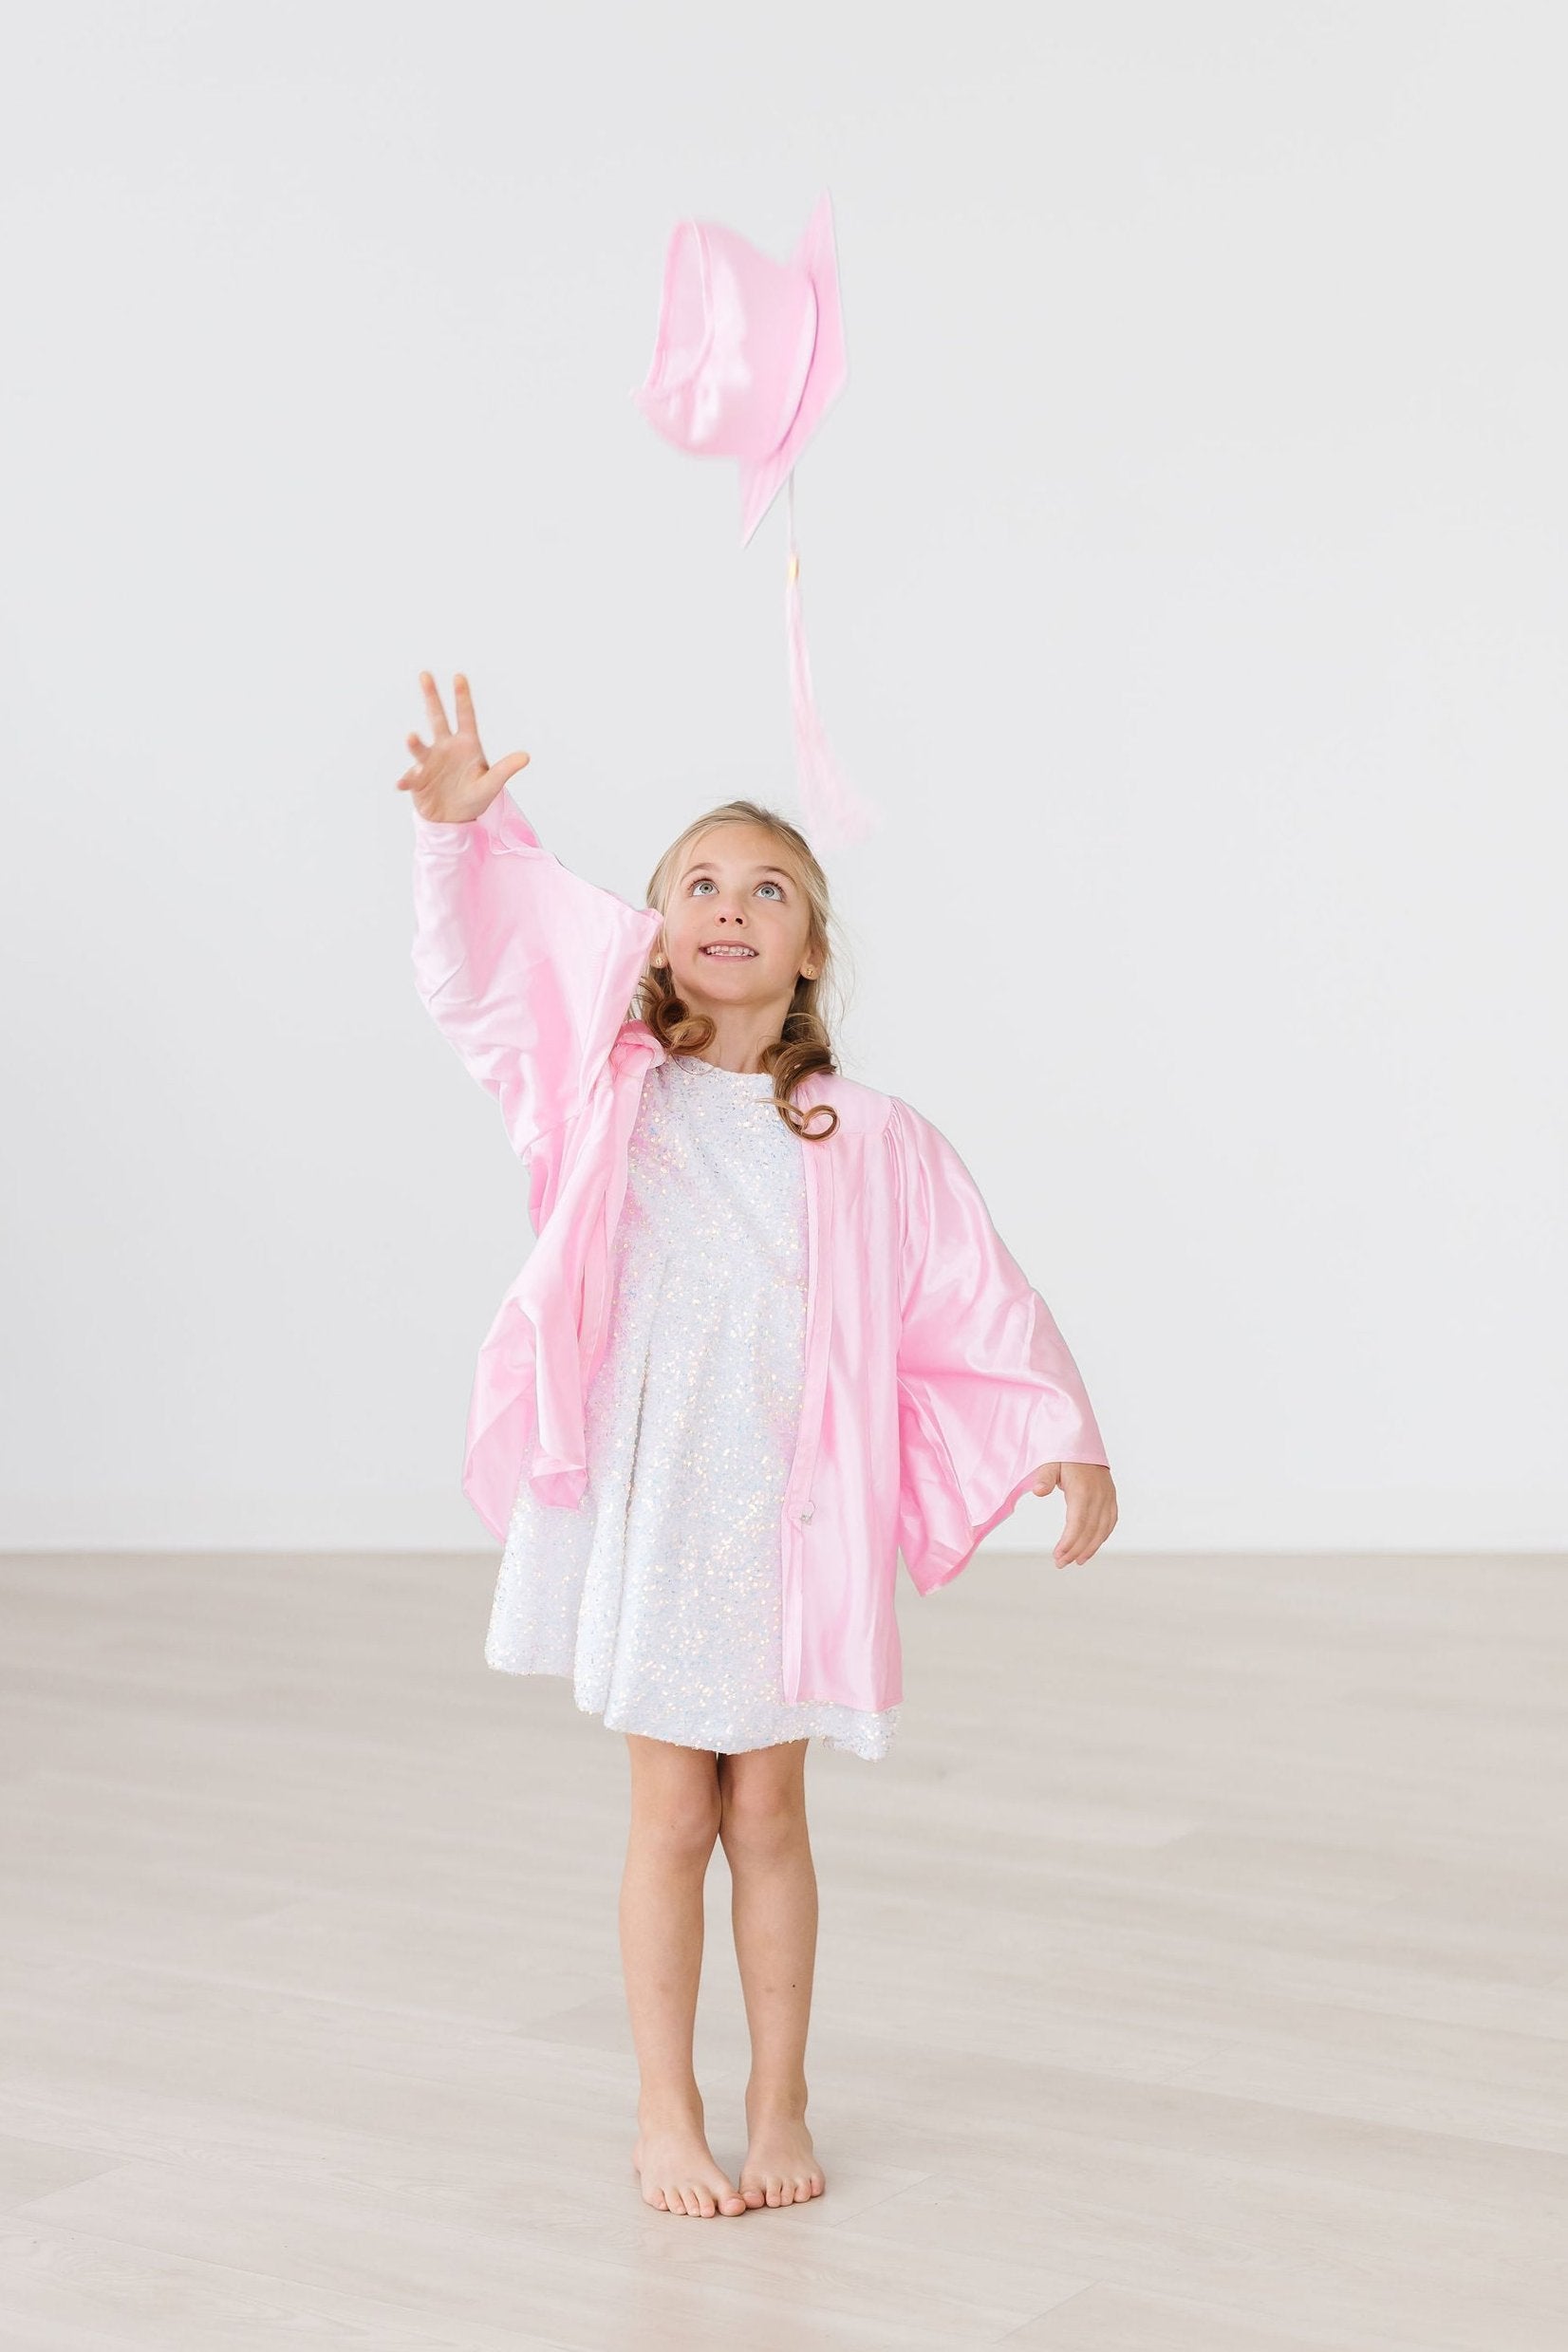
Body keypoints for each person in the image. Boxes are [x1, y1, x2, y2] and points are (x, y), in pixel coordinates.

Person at [401, 670, 1117, 2220]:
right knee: (673, 1812)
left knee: (770, 1812)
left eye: (770, 887)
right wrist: (459, 841)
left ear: (811, 951)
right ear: (656, 933)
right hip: (662, 1505)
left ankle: (779, 2092)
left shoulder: (865, 1137)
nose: (733, 904)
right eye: (702, 883)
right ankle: (664, 2110)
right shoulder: (602, 1094)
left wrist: (1060, 1428)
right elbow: (483, 982)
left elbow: (973, 1290)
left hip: (788, 1515)